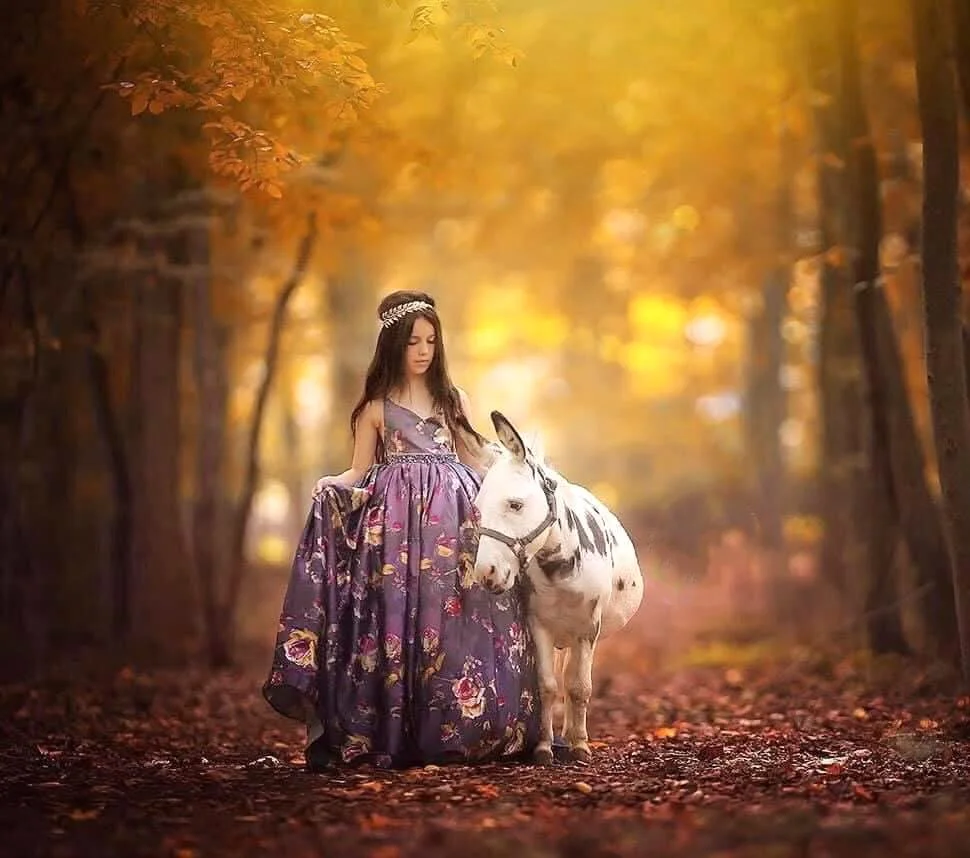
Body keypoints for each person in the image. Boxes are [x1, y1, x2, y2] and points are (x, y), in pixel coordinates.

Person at [262, 290, 540, 770]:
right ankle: (396, 731)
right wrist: (333, 486)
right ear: (394, 343)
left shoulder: (454, 400)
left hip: (455, 518)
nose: (424, 351)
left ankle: (458, 728)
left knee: (453, 618)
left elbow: (475, 454)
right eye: (413, 341)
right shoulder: (375, 407)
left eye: (431, 341)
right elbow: (356, 472)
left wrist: (518, 472)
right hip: (393, 528)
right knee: (396, 616)